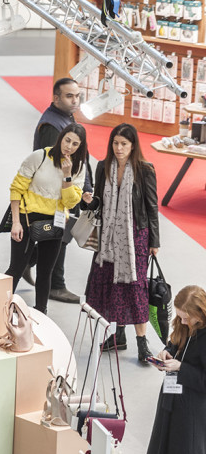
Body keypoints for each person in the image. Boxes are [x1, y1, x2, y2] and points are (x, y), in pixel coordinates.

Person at [80, 123, 160, 364]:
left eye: (124, 143)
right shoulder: (104, 166)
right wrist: (87, 201)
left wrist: (155, 241)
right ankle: (119, 335)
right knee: (113, 286)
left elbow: (152, 206)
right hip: (109, 237)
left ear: (133, 145)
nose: (119, 148)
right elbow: (99, 204)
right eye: (115, 143)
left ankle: (142, 344)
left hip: (136, 235)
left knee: (134, 287)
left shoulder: (145, 170)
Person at [5, 122, 87, 314]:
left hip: (55, 222)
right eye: (67, 140)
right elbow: (16, 189)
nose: (69, 146)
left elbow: (70, 202)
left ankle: (41, 313)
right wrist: (16, 222)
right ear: (61, 138)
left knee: (45, 272)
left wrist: (67, 176)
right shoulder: (39, 156)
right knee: (16, 268)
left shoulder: (79, 167)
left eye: (75, 144)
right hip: (27, 218)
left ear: (80, 147)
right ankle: (0, 307)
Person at [145, 285, 206, 454]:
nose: (181, 320)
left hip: (195, 409)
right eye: (179, 315)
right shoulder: (183, 326)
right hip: (171, 401)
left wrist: (182, 368)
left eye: (185, 316)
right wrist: (167, 353)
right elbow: (175, 343)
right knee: (160, 452)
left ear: (199, 313)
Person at [32, 77, 88, 304]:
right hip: (55, 195)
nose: (75, 100)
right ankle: (55, 284)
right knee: (59, 235)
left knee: (59, 235)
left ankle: (32, 262)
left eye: (77, 96)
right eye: (69, 96)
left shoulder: (63, 118)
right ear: (56, 98)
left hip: (65, 191)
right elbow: (54, 164)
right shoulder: (52, 126)